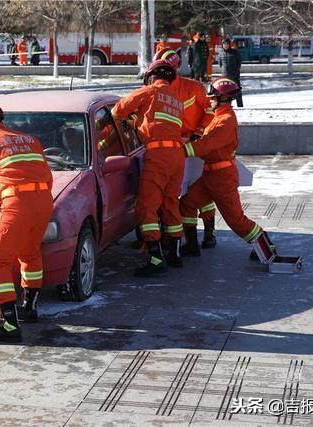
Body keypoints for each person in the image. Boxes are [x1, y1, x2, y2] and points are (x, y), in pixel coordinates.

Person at [0, 101, 53, 342]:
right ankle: (30, 307)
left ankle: (9, 325)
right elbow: (47, 175)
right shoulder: (31, 140)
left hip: (16, 204)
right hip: (44, 201)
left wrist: (0, 212)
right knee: (30, 253)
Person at [179, 78, 274, 258]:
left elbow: (207, 145)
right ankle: (191, 244)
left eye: (213, 97)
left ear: (223, 98)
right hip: (209, 175)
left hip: (222, 178)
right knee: (187, 203)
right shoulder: (219, 118)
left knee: (235, 220)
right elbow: (204, 142)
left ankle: (265, 245)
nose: (210, 100)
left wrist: (180, 150)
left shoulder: (226, 120)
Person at [111, 60, 184, 276]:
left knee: (146, 207)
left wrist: (128, 120)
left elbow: (117, 111)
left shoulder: (149, 91)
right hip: (177, 156)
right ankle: (175, 254)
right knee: (171, 203)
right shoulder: (176, 100)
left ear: (151, 77)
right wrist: (138, 121)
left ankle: (155, 258)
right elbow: (158, 123)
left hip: (158, 155)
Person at [152, 48, 216, 251]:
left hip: (194, 146)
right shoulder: (157, 89)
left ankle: (208, 233)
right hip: (172, 147)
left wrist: (198, 133)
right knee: (173, 194)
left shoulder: (193, 88)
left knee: (199, 192)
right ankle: (176, 238)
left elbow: (209, 113)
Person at [217, 38, 243, 107]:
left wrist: (236, 71)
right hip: (225, 76)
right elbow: (220, 64)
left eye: (227, 44)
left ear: (229, 44)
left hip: (235, 75)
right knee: (225, 92)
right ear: (222, 45)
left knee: (237, 91)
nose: (226, 45)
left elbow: (239, 62)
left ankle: (240, 105)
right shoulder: (220, 54)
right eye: (224, 44)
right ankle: (227, 105)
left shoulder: (235, 52)